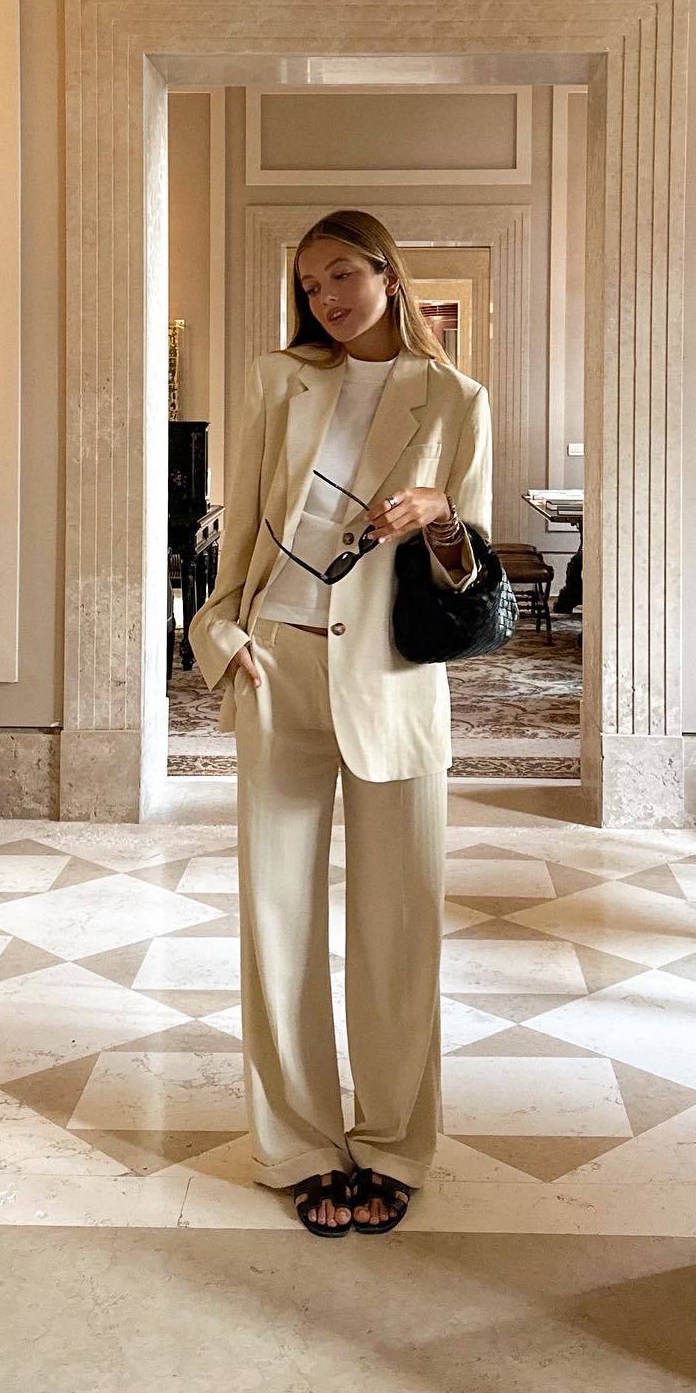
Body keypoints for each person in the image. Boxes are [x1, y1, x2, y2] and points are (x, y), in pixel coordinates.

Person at [187, 209, 493, 1237]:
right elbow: (240, 524)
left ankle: (396, 1144)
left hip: (395, 675)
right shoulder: (278, 379)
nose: (326, 297)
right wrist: (220, 635)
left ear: (388, 274)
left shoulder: (456, 399)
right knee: (277, 918)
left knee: (401, 925)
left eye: (343, 275)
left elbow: (470, 572)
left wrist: (437, 516)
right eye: (310, 283)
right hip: (279, 662)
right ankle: (299, 1143)